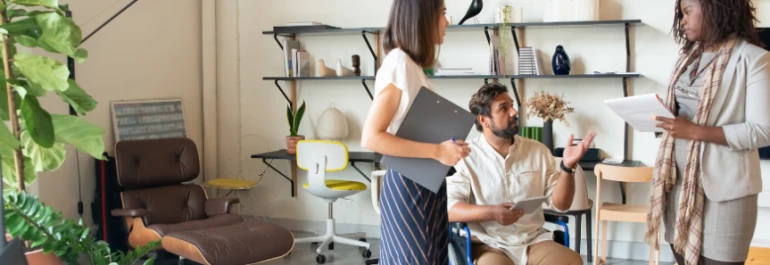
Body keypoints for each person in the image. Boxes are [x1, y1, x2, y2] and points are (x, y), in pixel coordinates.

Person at [645, 0, 770, 264]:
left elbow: (762, 130)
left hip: (726, 193)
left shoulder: (753, 58)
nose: (682, 20)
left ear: (715, 9)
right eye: (681, 14)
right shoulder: (687, 58)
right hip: (678, 185)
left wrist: (694, 131)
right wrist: (664, 119)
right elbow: (683, 115)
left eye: (687, 12)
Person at [360, 0, 464, 264]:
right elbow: (371, 136)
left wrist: (447, 147)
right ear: (422, 17)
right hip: (409, 186)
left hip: (426, 183)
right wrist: (438, 151)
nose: (447, 21)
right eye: (442, 14)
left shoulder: (413, 67)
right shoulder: (399, 62)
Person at [446, 83, 594, 265]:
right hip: (489, 244)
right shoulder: (465, 155)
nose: (514, 112)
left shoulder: (538, 151)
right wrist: (491, 212)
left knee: (572, 261)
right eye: (503, 108)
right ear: (484, 120)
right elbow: (450, 209)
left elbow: (561, 205)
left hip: (533, 240)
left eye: (512, 105)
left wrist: (567, 167)